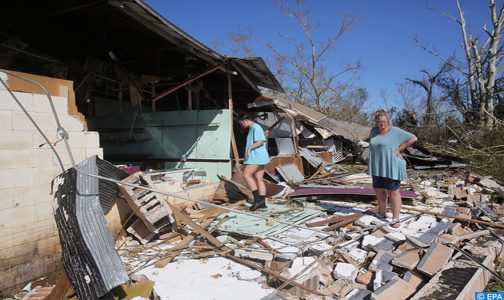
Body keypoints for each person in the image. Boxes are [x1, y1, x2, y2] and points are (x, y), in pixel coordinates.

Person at [368, 109, 417, 226]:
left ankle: (396, 219)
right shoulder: (373, 131)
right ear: (376, 122)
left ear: (387, 120)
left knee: (393, 192)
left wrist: (399, 149)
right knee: (379, 190)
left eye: (384, 121)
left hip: (391, 165)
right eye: (379, 121)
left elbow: (413, 138)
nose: (382, 123)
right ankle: (381, 213)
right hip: (377, 165)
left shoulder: (395, 131)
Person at [238, 114, 270, 211]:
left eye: (241, 123)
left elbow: (260, 141)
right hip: (259, 156)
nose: (241, 125)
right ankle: (262, 202)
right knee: (259, 179)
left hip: (256, 156)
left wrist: (250, 147)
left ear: (246, 120)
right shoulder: (253, 128)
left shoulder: (256, 127)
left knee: (246, 174)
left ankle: (257, 200)